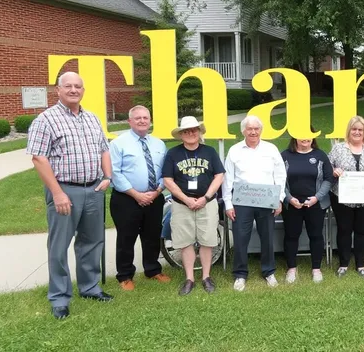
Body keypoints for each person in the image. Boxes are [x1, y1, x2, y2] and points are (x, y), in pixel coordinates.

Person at [26, 71, 113, 320]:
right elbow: (39, 158)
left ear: (83, 90)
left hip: (94, 188)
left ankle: (90, 288)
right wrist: (57, 192)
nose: (73, 90)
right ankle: (60, 297)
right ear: (58, 90)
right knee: (59, 246)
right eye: (68, 86)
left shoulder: (92, 118)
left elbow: (103, 149)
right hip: (64, 190)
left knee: (92, 242)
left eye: (78, 86)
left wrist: (107, 177)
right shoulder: (46, 120)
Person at [223, 115, 287, 291]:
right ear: (243, 130)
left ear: (261, 130)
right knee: (241, 238)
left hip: (267, 200)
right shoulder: (235, 150)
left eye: (256, 128)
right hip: (241, 202)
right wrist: (228, 203)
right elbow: (227, 178)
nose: (253, 132)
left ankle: (269, 271)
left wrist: (279, 199)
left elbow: (280, 176)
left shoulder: (271, 149)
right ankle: (240, 274)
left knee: (267, 237)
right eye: (249, 129)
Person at [110, 105, 170, 291]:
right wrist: (137, 195)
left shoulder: (159, 144)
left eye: (146, 117)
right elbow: (115, 173)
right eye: (138, 118)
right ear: (130, 121)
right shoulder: (118, 143)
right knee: (126, 237)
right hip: (126, 199)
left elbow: (165, 171)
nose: (142, 121)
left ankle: (152, 270)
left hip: (154, 197)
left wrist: (158, 190)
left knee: (152, 235)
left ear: (150, 120)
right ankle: (125, 275)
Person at [162, 116, 225, 296]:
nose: (190, 133)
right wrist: (186, 199)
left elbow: (219, 176)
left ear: (199, 132)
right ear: (181, 135)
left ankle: (206, 276)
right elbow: (168, 179)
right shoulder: (173, 154)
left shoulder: (210, 152)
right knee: (185, 241)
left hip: (207, 203)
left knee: (207, 239)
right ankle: (189, 278)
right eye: (186, 131)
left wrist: (206, 197)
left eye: (194, 130)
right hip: (182, 204)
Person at [328, 116, 364, 278]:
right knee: (344, 230)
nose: (357, 132)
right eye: (354, 129)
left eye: (360, 130)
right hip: (342, 197)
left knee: (362, 230)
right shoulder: (338, 148)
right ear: (349, 131)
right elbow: (327, 166)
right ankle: (344, 264)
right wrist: (334, 170)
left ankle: (361, 264)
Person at [280, 132, 333, 283]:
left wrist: (317, 197)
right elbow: (278, 179)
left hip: (315, 204)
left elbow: (328, 179)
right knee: (291, 235)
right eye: (301, 134)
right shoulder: (284, 155)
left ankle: (316, 269)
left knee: (315, 235)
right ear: (295, 136)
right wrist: (289, 198)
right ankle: (291, 269)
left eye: (308, 135)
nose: (305, 138)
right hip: (292, 204)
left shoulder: (320, 155)